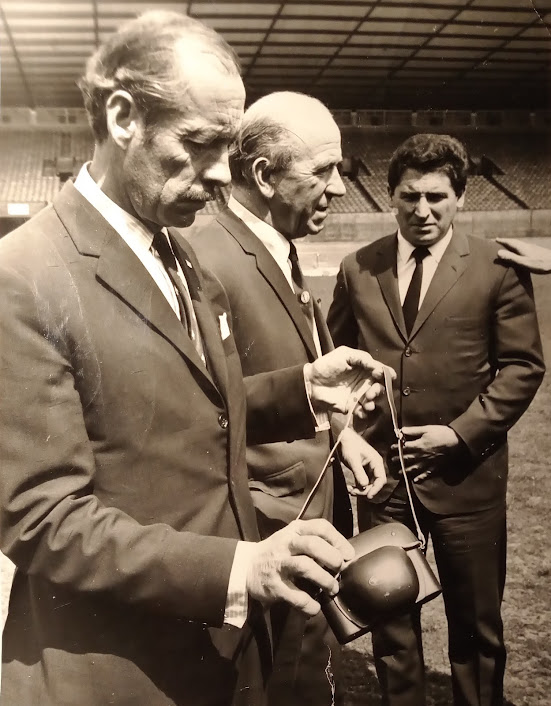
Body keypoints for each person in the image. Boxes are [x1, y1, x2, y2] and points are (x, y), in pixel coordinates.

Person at [0, 12, 389, 706]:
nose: (220, 173)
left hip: (219, 656)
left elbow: (188, 411)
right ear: (123, 118)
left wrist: (301, 390)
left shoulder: (176, 249)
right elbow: (40, 518)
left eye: (229, 146)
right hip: (115, 671)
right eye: (200, 143)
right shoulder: (23, 274)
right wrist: (239, 569)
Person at [327, 133, 545, 706]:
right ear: (390, 197)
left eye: (436, 196)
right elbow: (334, 361)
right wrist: (352, 419)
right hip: (383, 475)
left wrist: (459, 433)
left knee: (475, 624)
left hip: (465, 475)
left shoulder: (496, 267)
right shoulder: (357, 267)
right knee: (389, 614)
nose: (421, 210)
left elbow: (523, 367)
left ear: (460, 197)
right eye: (408, 197)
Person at [191, 91, 386, 706]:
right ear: (263, 175)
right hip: (262, 535)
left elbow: (295, 370)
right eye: (321, 171)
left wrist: (344, 436)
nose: (339, 188)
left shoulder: (279, 244)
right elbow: (196, 406)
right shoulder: (204, 255)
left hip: (305, 523)